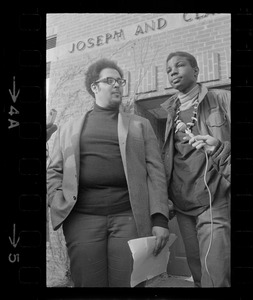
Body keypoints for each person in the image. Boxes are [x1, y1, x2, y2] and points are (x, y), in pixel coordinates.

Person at [47, 58, 170, 287]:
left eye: (120, 81)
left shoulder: (140, 125)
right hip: (82, 219)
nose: (117, 85)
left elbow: (156, 172)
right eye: (110, 80)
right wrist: (56, 199)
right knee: (88, 282)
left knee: (129, 282)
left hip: (129, 217)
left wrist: (160, 218)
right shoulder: (68, 128)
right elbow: (54, 170)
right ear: (95, 87)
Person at [161, 51, 230, 287]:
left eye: (179, 65)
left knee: (217, 274)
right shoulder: (171, 112)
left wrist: (220, 147)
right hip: (182, 204)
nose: (173, 71)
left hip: (214, 198)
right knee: (198, 273)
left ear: (196, 71)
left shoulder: (221, 99)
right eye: (169, 69)